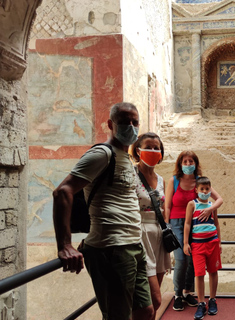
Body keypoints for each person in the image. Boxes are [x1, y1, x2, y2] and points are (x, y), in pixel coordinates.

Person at [52, 102, 154, 320]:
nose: (131, 126)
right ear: (111, 124)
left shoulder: (124, 156)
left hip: (133, 246)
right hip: (112, 249)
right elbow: (63, 191)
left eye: (134, 122)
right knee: (118, 316)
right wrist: (65, 245)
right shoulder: (103, 154)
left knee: (145, 311)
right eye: (124, 121)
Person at [164, 151, 223, 311]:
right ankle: (177, 294)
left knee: (192, 259)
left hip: (197, 222)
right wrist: (167, 225)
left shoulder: (200, 182)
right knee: (181, 258)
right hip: (177, 223)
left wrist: (209, 209)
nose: (188, 164)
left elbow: (218, 199)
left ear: (196, 164)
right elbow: (167, 205)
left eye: (191, 161)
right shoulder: (174, 181)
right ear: (180, 163)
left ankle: (187, 291)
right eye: (185, 161)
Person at [131, 132, 172, 320]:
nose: (153, 151)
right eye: (148, 146)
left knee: (155, 303)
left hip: (158, 238)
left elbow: (163, 209)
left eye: (157, 148)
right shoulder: (131, 174)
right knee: (154, 299)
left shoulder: (161, 179)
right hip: (140, 236)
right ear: (138, 150)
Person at [183, 176, 222, 320]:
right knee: (199, 274)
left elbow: (216, 223)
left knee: (213, 271)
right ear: (196, 190)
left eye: (207, 189)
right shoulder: (192, 204)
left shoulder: (212, 205)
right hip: (197, 245)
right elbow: (187, 224)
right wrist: (186, 243)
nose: (204, 191)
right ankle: (201, 303)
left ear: (210, 190)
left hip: (212, 243)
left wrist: (219, 242)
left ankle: (212, 299)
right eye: (202, 189)